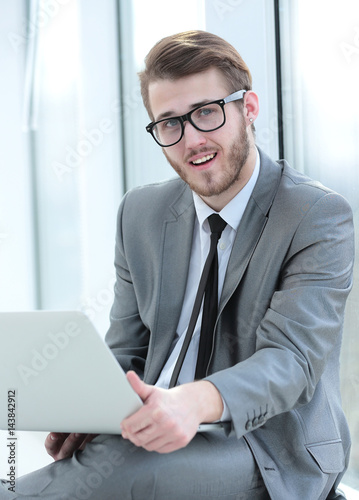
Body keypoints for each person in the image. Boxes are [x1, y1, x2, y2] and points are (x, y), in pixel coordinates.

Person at [1, 30, 355, 500]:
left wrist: (192, 403)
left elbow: (291, 362)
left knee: (120, 472)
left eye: (206, 112)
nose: (191, 139)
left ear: (248, 108)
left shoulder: (315, 215)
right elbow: (127, 347)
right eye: (169, 123)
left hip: (264, 442)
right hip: (151, 424)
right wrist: (88, 410)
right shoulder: (140, 213)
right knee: (104, 462)